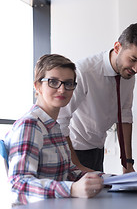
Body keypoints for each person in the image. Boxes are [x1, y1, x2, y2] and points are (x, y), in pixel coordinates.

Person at [4, 54, 103, 205]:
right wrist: (72, 189)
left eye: (68, 83)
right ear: (37, 86)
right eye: (53, 82)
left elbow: (68, 172)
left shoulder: (54, 127)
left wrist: (107, 179)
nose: (62, 89)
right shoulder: (29, 125)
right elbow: (19, 186)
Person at [58, 23, 137, 173]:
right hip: (73, 150)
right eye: (133, 59)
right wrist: (75, 164)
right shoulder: (84, 71)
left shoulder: (128, 74)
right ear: (117, 47)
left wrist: (127, 164)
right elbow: (61, 119)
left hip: (98, 149)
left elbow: (125, 116)